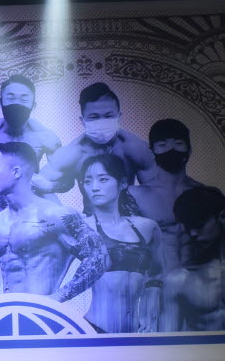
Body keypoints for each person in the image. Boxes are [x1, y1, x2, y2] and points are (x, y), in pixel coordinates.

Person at [0, 142, 108, 303]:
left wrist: (55, 300)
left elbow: (99, 257)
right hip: (6, 314)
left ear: (16, 172)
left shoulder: (56, 216)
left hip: (43, 315)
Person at [78, 154, 162, 333]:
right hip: (95, 329)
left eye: (103, 179)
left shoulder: (147, 227)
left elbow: (156, 275)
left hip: (137, 332)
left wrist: (151, 315)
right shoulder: (83, 228)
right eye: (88, 181)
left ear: (122, 183)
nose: (94, 187)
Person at [37, 82, 160, 200]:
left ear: (119, 117)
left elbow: (159, 190)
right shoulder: (71, 153)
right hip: (90, 214)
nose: (102, 122)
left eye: (108, 116)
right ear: (83, 121)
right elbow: (35, 186)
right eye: (94, 117)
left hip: (128, 213)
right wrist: (51, 188)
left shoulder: (135, 149)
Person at [129, 119, 219, 272]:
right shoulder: (135, 195)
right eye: (162, 145)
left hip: (201, 280)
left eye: (178, 143)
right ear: (152, 151)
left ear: (189, 150)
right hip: (156, 281)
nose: (171, 150)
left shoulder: (209, 196)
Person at [0, 74, 63, 212]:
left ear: (33, 105)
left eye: (24, 99)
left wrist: (47, 185)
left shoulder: (46, 138)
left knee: (61, 218)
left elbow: (66, 181)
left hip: (35, 205)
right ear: (0, 103)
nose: (17, 104)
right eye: (11, 98)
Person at [159, 186, 225, 331]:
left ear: (222, 217)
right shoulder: (178, 280)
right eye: (188, 227)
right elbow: (168, 341)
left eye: (199, 225)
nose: (193, 233)